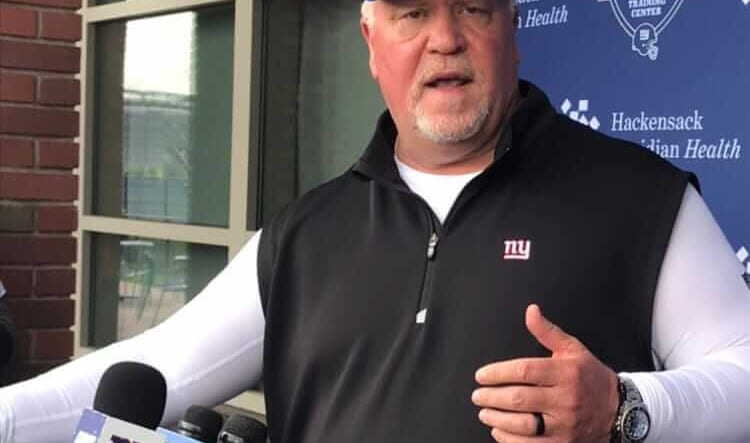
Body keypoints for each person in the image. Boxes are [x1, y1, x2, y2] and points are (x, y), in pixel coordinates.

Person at [2, 0, 750, 442]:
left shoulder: (641, 198)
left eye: (473, 7)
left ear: (513, 26)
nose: (445, 37)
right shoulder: (304, 234)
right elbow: (151, 370)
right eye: (412, 11)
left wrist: (625, 409)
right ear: (371, 41)